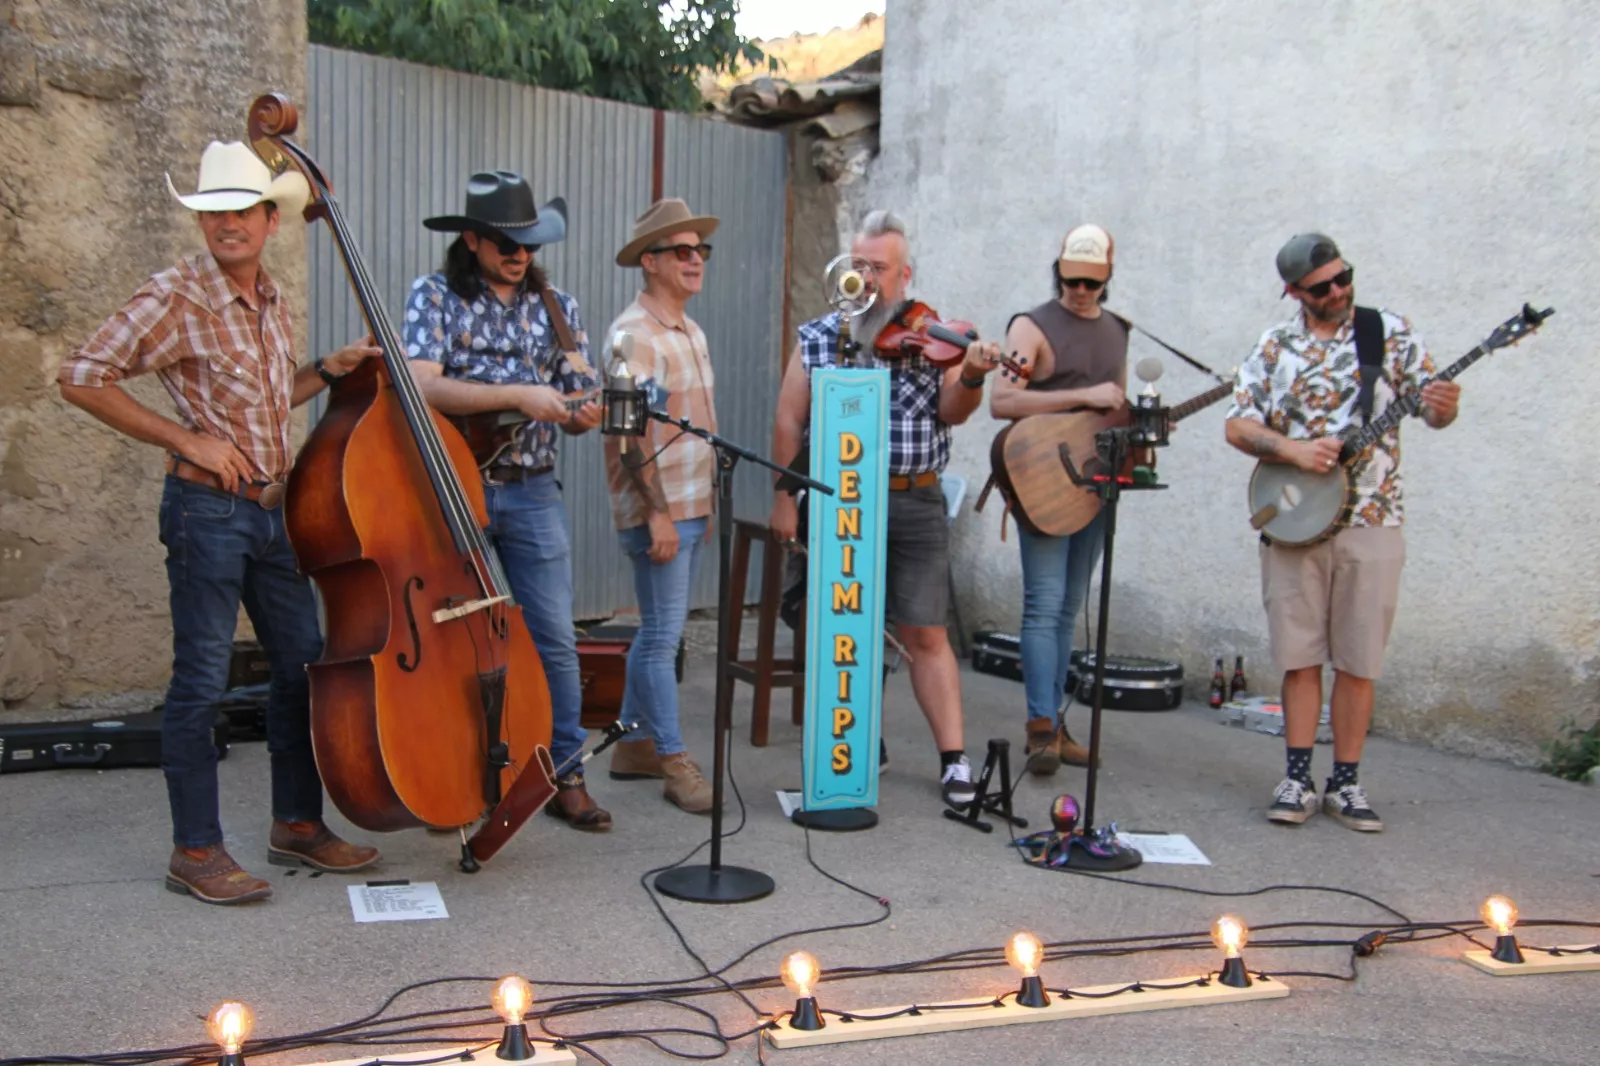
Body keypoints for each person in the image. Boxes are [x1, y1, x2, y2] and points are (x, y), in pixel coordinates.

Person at [57, 141, 381, 905]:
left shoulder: (271, 298)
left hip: (273, 512)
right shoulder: (176, 295)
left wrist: (326, 372)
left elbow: (268, 403)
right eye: (212, 213)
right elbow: (81, 375)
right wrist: (185, 437)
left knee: (303, 665)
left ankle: (297, 824)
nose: (226, 224)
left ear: (271, 220)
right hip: (206, 507)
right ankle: (195, 850)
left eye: (241, 210)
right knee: (201, 678)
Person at [1224, 232, 1459, 832]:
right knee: (1299, 656)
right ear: (1294, 291)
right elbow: (1238, 424)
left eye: (1343, 276)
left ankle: (1346, 782)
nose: (1339, 290)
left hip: (1372, 518)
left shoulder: (1390, 333)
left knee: (1359, 659)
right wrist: (1294, 451)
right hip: (1294, 520)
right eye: (1322, 284)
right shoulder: (1275, 346)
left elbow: (1434, 413)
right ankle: (1297, 777)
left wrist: (1443, 404)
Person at [769, 209, 1003, 807]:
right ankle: (853, 742)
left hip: (913, 496)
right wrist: (783, 497)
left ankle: (954, 761)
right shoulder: (820, 336)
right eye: (860, 266)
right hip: (839, 499)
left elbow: (952, 411)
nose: (868, 278)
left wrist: (972, 375)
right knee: (842, 626)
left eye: (880, 268)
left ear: (906, 275)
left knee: (925, 630)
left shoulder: (933, 338)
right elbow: (790, 418)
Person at [402, 172, 609, 831]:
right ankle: (454, 775)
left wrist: (581, 411)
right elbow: (421, 387)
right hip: (452, 490)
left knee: (552, 635)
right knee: (449, 638)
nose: (520, 254)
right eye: (504, 242)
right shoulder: (432, 295)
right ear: (471, 239)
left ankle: (564, 772)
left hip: (533, 488)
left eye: (528, 241)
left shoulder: (559, 307)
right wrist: (518, 395)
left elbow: (580, 400)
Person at [989, 224, 1129, 776]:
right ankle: (1039, 727)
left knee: (1070, 606)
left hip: (1094, 479)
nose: (1080, 291)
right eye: (1071, 279)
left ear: (1107, 279)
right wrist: (1081, 395)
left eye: (1091, 283)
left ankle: (1054, 719)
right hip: (1043, 478)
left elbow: (1112, 409)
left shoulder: (1118, 331)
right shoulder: (1032, 326)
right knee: (1043, 606)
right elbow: (1003, 399)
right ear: (1058, 271)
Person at [602, 198, 721, 814]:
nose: (695, 259)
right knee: (661, 639)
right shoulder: (632, 336)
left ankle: (633, 747)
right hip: (662, 509)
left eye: (700, 249)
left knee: (655, 630)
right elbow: (626, 436)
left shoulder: (689, 330)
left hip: (692, 505)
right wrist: (657, 513)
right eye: (682, 250)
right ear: (649, 262)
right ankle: (674, 759)